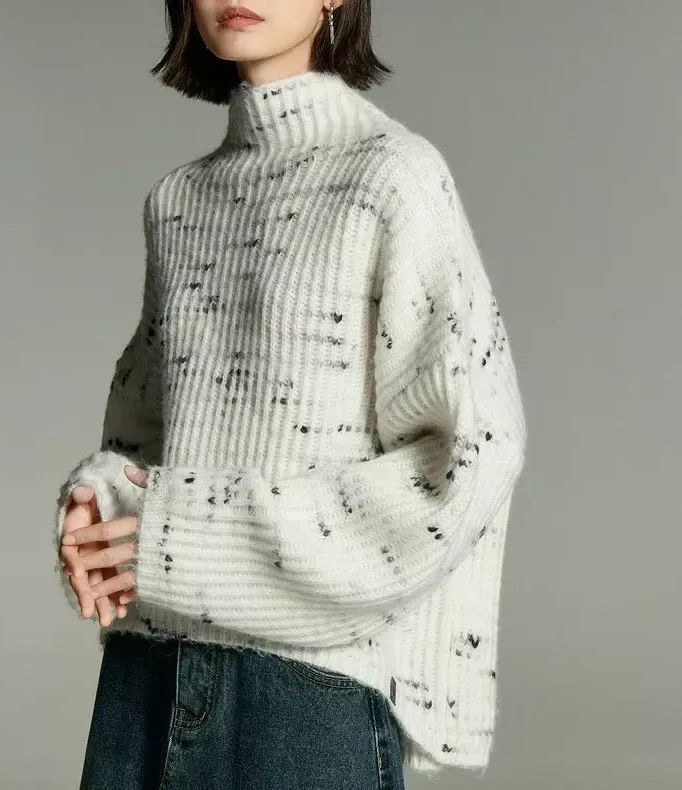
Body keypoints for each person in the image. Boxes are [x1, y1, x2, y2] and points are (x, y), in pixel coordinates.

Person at [53, 1, 528, 787]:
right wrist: (101, 503)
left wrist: (186, 539)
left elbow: (471, 453)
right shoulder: (177, 202)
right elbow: (146, 444)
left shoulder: (392, 177)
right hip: (145, 681)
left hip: (305, 698)